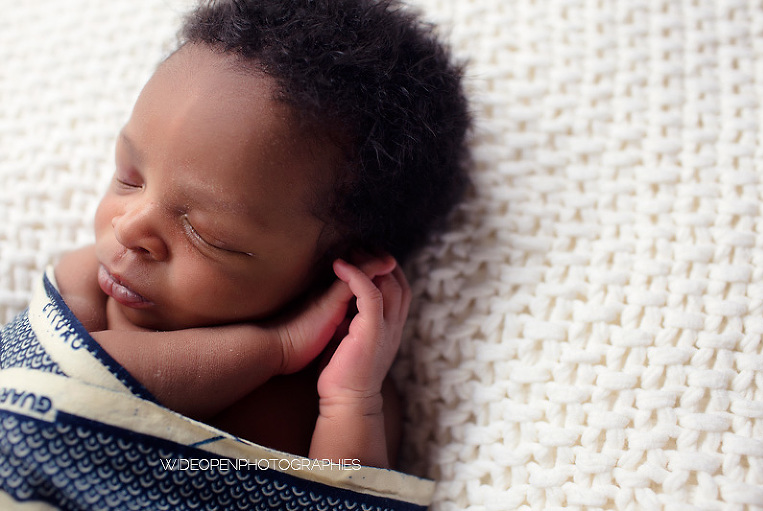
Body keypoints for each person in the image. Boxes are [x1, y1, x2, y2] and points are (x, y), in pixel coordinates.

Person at [52, 0, 470, 471]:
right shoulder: (86, 280)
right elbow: (65, 380)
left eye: (209, 235)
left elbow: (343, 500)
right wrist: (273, 349)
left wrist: (350, 402)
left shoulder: (334, 388)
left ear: (342, 267)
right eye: (129, 177)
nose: (128, 227)